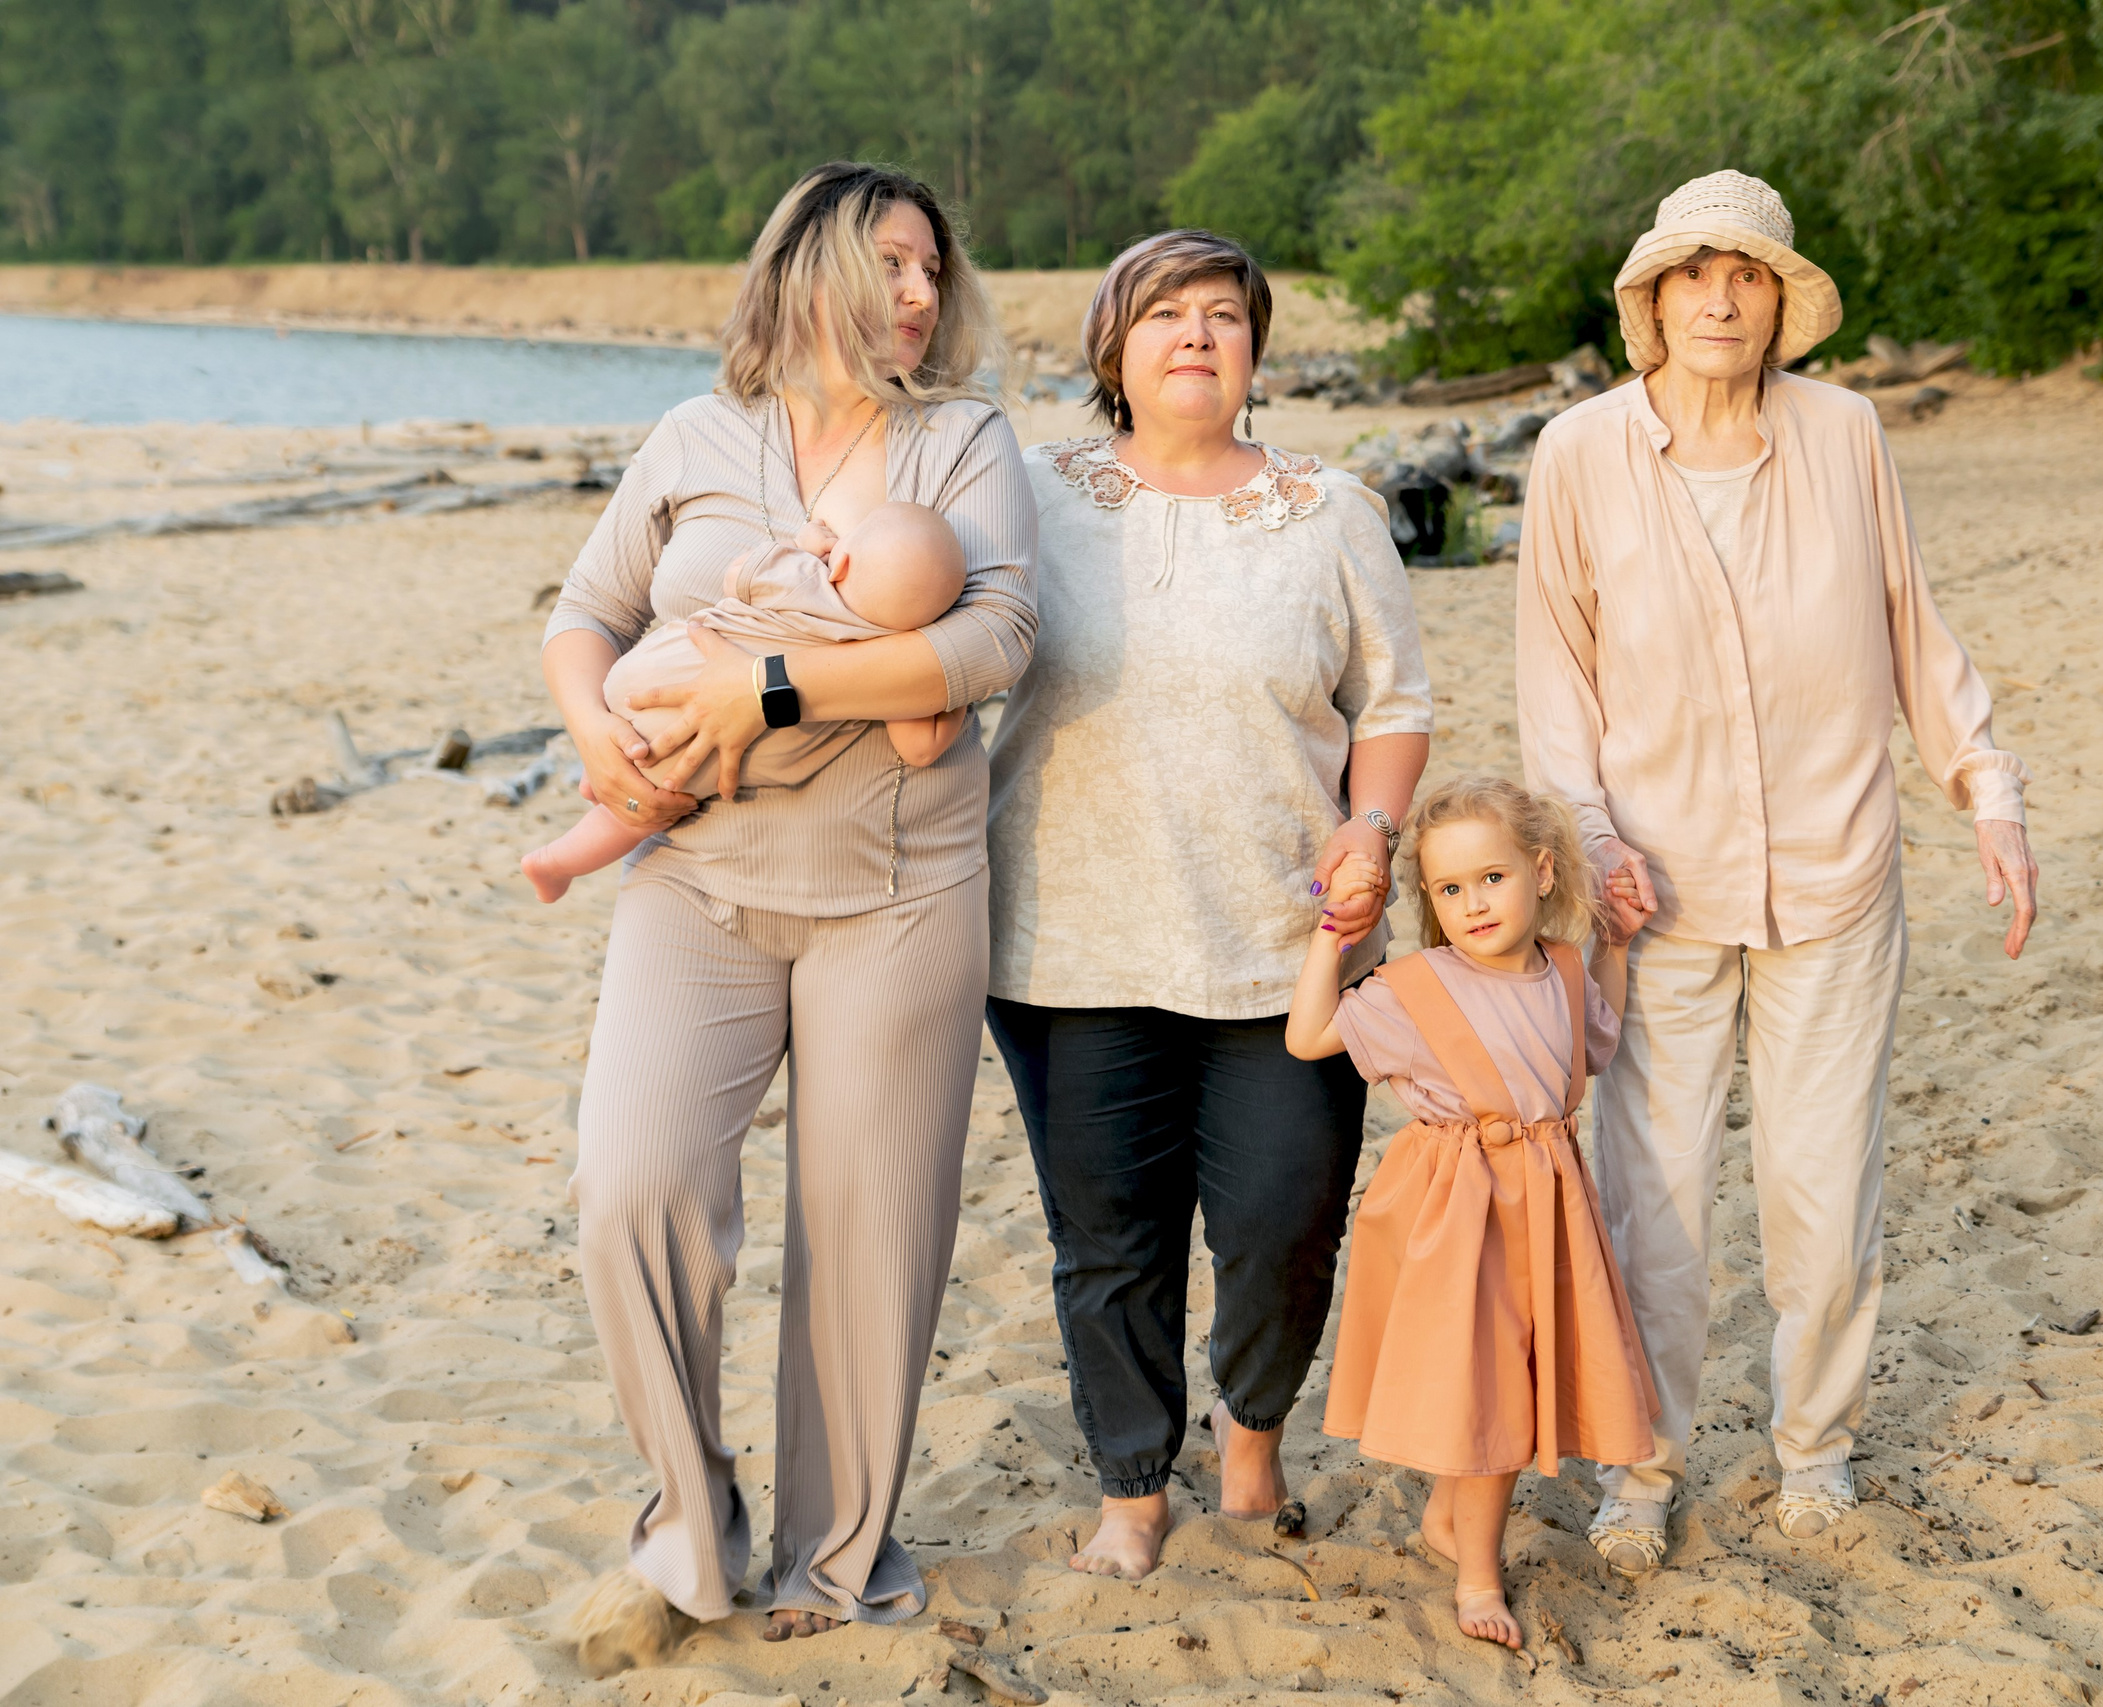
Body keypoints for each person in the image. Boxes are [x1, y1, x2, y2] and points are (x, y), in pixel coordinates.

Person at [541, 161, 1037, 1670]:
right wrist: (593, 735)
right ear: (810, 268)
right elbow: (585, 613)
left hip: (898, 888)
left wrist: (770, 685)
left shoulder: (961, 440)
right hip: (695, 876)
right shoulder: (698, 435)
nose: (918, 295)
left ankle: (841, 1552)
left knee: (867, 1232)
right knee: (633, 1188)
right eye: (891, 263)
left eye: (933, 271)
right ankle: (691, 1523)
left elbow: (996, 636)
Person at [1515, 170, 2039, 1571]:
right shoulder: (1575, 454)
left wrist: (1988, 789)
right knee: (1658, 1199)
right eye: (1694, 274)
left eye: (1747, 275)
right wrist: (1594, 840)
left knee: (1822, 1193)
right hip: (1653, 889)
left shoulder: (1848, 432)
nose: (1720, 299)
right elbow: (1554, 678)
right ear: (1653, 298)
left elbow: (1911, 629)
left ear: (1781, 300)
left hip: (1835, 872)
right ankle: (1641, 1467)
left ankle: (1817, 1449)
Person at [983, 229, 1432, 1581]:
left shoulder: (1330, 507)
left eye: (1223, 315)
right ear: (1112, 348)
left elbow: (1393, 701)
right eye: (1165, 313)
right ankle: (1131, 1486)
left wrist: (1373, 822)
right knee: (1109, 1235)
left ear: (1255, 349)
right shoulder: (1026, 495)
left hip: (1286, 945)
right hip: (1072, 936)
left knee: (1286, 1215)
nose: (1196, 334)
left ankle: (1250, 1446)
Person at [1285, 776, 1657, 1649]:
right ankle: (1479, 1575)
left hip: (1548, 1203)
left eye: (1491, 878)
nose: (1472, 903)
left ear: (1542, 870)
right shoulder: (1418, 988)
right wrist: (1329, 933)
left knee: (1512, 1374)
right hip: (1458, 1213)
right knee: (1493, 1385)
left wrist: (1616, 947)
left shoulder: (1564, 967)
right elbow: (1309, 1038)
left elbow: (1595, 1045)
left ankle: (1451, 1519)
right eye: (1449, 890)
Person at [521, 504, 969, 902]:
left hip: (643, 681)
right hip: (697, 764)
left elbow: (739, 574)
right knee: (639, 814)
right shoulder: (893, 659)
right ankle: (556, 862)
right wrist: (953, 694)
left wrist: (806, 544)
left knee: (630, 774)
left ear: (843, 561)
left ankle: (597, 779)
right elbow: (921, 749)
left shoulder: (806, 579)